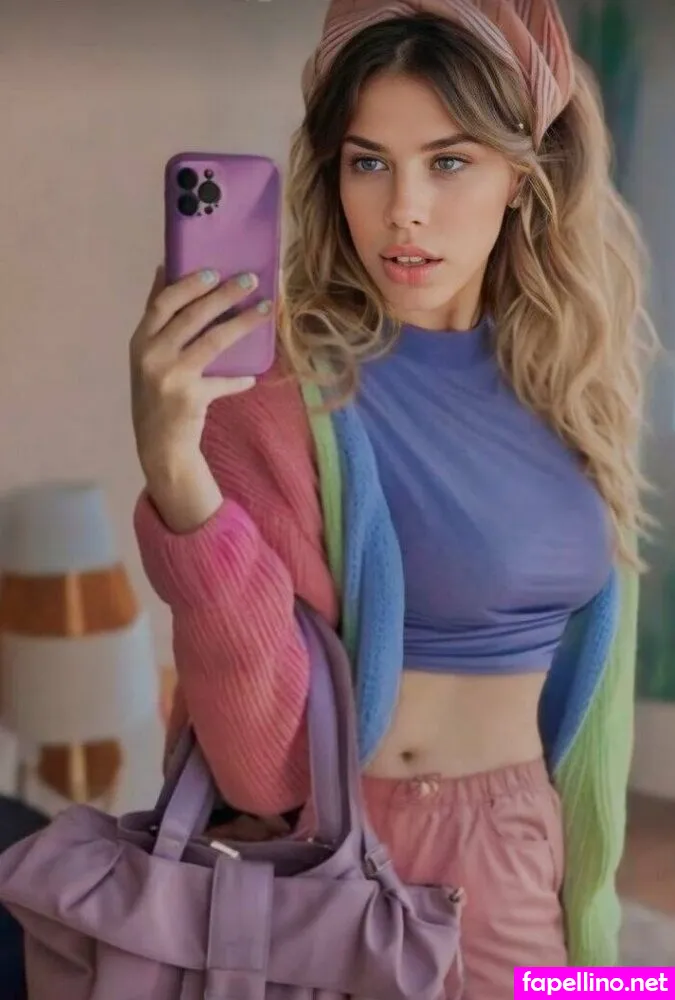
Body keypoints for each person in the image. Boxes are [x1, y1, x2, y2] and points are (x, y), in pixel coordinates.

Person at [129, 1, 656, 995]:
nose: (404, 208)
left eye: (448, 161)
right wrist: (176, 474)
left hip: (519, 844)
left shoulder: (578, 389)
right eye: (368, 162)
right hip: (337, 860)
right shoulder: (275, 392)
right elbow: (258, 770)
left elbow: (591, 722)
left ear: (521, 175)